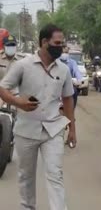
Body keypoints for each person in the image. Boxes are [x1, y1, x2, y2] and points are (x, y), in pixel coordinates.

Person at [0, 24, 76, 210]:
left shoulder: (63, 70)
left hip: (53, 129)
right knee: (26, 177)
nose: (61, 46)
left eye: (62, 43)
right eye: (57, 43)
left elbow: (67, 99)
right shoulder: (22, 66)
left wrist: (72, 128)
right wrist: (19, 103)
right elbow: (3, 88)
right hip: (26, 130)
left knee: (55, 174)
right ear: (44, 42)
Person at [0, 35, 25, 105]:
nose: (11, 47)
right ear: (4, 47)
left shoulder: (23, 59)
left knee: (23, 110)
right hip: (1, 91)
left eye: (13, 45)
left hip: (16, 93)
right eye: (8, 45)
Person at [60, 44, 82, 109]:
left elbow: (77, 72)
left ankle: (72, 110)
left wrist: (79, 80)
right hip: (56, 84)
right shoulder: (55, 61)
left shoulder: (72, 62)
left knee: (74, 92)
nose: (64, 54)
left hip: (69, 84)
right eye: (63, 52)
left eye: (66, 52)